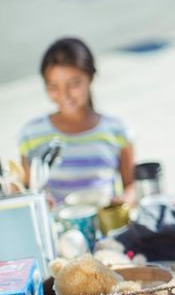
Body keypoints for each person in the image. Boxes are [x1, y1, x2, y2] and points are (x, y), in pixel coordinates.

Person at [18, 37, 136, 206]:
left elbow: (131, 185)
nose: (64, 95)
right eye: (53, 86)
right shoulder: (31, 134)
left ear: (91, 77)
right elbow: (27, 190)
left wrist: (124, 200)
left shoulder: (117, 130)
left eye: (74, 84)